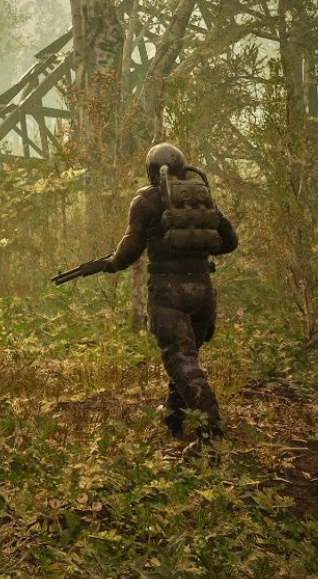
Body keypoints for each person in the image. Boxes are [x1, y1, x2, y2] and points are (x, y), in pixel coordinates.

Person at [101, 143, 238, 441]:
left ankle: (211, 433)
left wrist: (111, 263)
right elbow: (230, 242)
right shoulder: (200, 196)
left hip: (169, 293)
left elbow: (130, 249)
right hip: (204, 291)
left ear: (151, 170)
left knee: (181, 362)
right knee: (188, 360)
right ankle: (174, 417)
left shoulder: (146, 200)